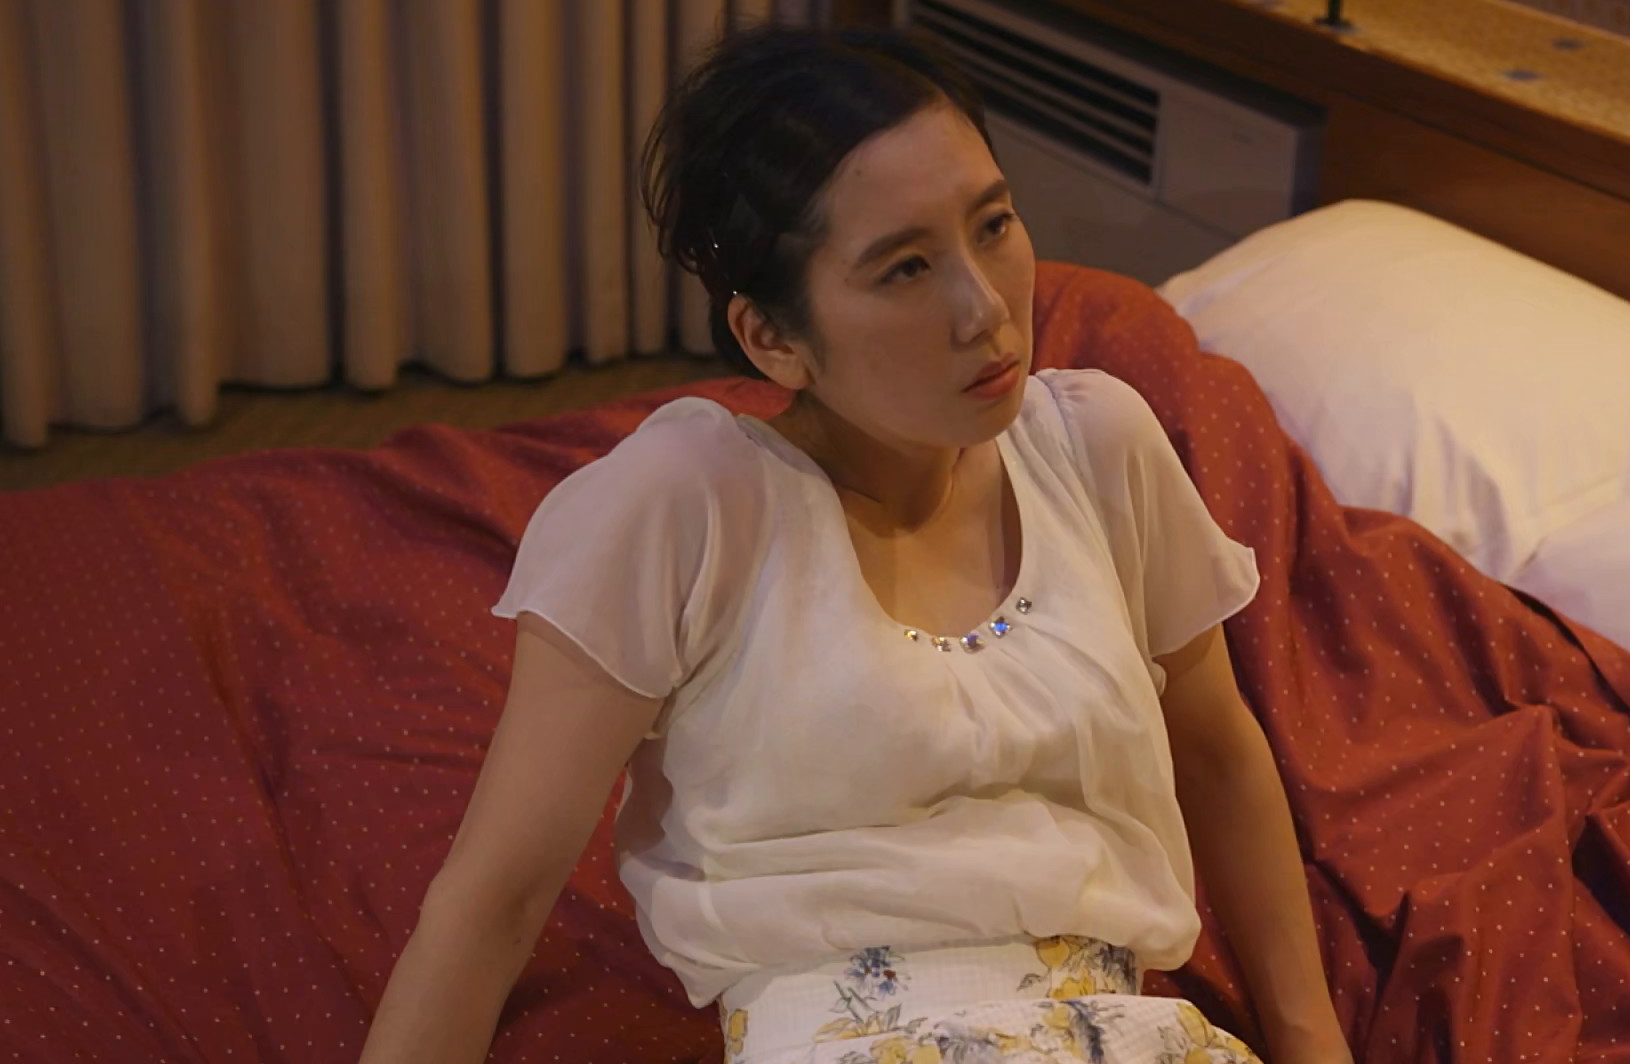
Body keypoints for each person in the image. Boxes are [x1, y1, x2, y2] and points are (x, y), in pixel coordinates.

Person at [359, 25, 1351, 1064]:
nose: (985, 309)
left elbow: (1219, 752)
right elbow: (496, 895)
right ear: (773, 337)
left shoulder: (1098, 445)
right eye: (905, 268)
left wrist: (1308, 1038)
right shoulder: (686, 505)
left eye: (994, 225)